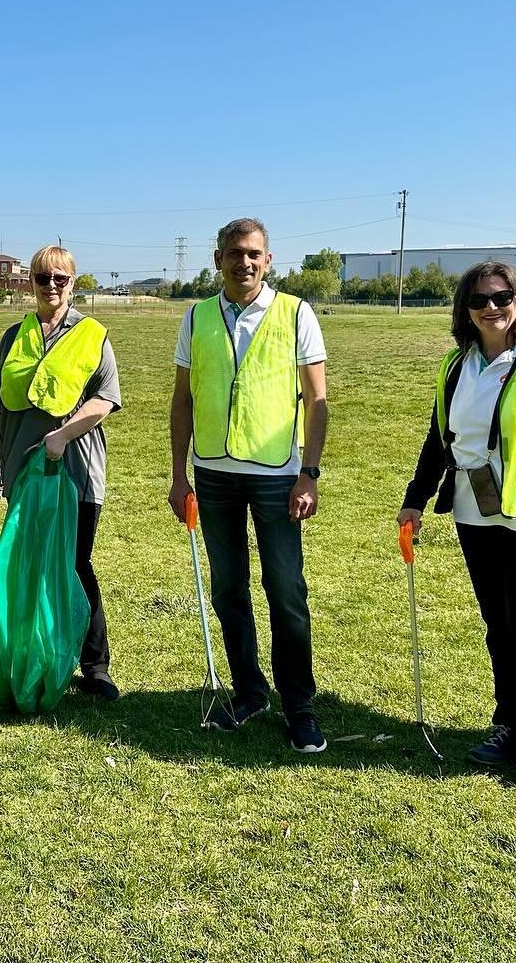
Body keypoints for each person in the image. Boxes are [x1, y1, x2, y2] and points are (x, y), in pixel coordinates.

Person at [398, 262, 516, 785]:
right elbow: (441, 438)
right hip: (472, 511)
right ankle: (510, 724)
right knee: (499, 627)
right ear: (465, 310)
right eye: (479, 300)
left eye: (502, 297)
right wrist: (417, 498)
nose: (491, 308)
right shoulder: (458, 366)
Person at [168, 218, 329, 753]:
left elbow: (317, 401)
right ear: (217, 259)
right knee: (228, 588)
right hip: (213, 473)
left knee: (286, 592)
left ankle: (299, 706)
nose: (245, 263)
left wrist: (309, 472)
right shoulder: (196, 317)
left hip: (277, 475)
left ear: (269, 258)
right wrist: (177, 474)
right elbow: (182, 400)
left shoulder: (297, 313)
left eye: (255, 254)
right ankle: (249, 690)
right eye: (235, 253)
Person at [0, 245, 123, 700]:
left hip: (76, 472)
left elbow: (105, 399)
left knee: (74, 564)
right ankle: (29, 652)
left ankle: (94, 665)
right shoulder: (13, 337)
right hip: (24, 473)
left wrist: (64, 435)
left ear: (73, 283)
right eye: (43, 278)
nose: (51, 286)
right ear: (30, 283)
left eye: (60, 278)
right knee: (26, 564)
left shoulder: (93, 335)